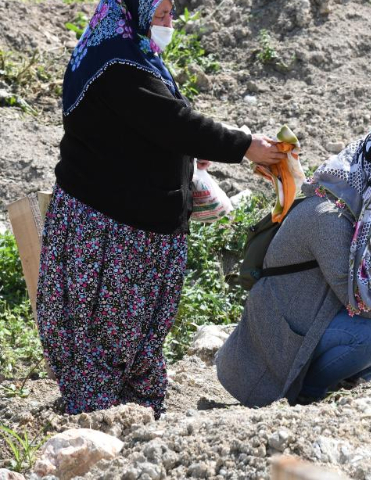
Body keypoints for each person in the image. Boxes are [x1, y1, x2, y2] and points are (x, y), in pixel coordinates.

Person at [36, 0, 283, 418]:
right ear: (134, 10)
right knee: (106, 331)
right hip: (109, 231)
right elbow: (171, 121)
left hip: (141, 229)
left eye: (171, 12)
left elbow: (146, 127)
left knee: (138, 334)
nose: (169, 22)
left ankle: (136, 415)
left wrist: (190, 153)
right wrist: (243, 146)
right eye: (160, 14)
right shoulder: (115, 62)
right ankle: (97, 420)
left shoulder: (136, 53)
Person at [216, 126, 371, 406]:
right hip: (283, 338)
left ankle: (348, 384)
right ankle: (307, 396)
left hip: (328, 319)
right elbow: (358, 299)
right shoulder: (328, 214)